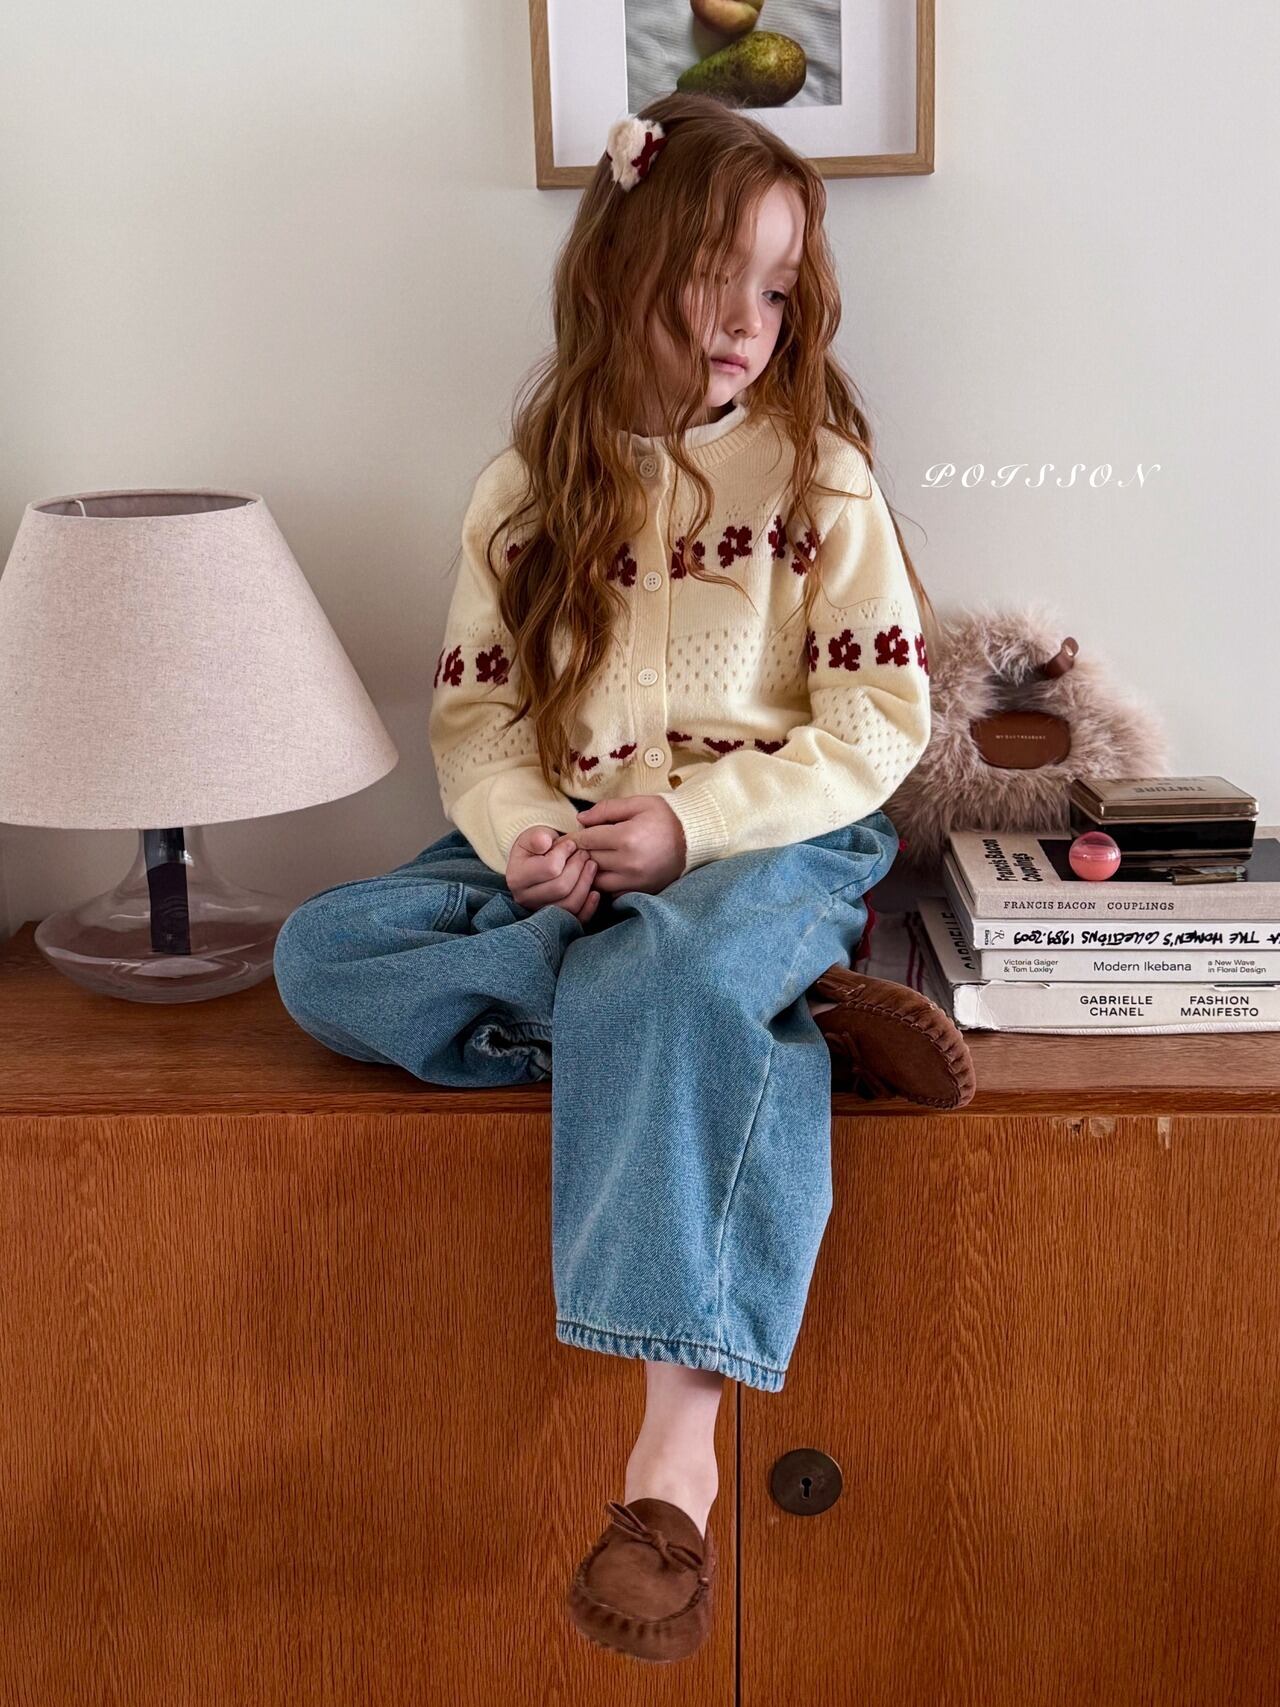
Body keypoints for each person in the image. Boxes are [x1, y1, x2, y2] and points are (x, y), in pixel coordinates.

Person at [271, 91, 975, 1665]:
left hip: (774, 837)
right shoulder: (525, 490)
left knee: (672, 961)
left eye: (776, 289)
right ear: (618, 268)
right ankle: (777, 1025)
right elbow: (475, 720)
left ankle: (674, 1457)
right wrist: (529, 836)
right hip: (575, 855)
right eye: (714, 277)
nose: (745, 322)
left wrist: (694, 828)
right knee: (323, 953)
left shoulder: (817, 478)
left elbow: (878, 723)